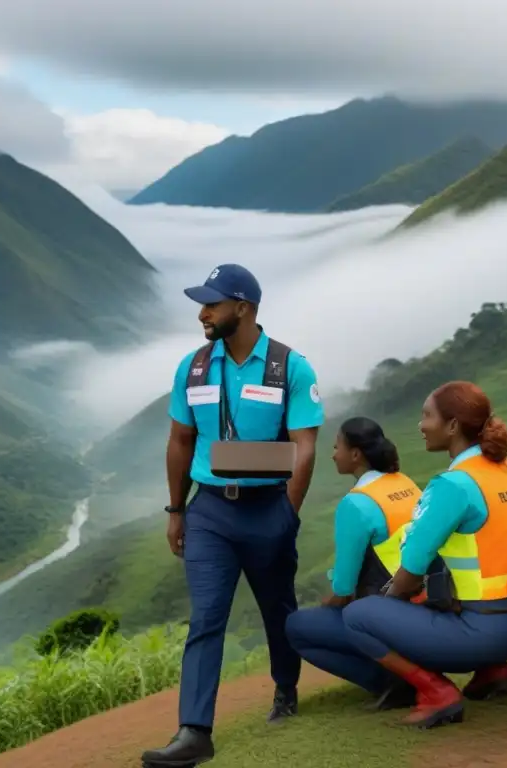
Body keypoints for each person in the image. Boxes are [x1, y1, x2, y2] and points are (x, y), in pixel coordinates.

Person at [141, 263, 324, 768]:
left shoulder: (290, 367)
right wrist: (177, 510)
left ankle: (285, 690)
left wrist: (288, 511)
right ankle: (194, 732)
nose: (202, 313)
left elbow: (303, 447)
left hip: (269, 507)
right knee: (205, 619)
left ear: (241, 308)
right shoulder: (193, 367)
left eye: (212, 304)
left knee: (277, 610)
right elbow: (181, 441)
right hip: (210, 514)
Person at [339, 381, 507, 729]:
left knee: (358, 615)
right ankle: (492, 672)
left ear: (452, 426)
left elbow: (410, 568)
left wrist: (388, 605)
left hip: (482, 633)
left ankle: (437, 693)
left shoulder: (453, 484)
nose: (421, 425)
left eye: (426, 415)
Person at [285, 417, 423, 711]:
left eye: (337, 447)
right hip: (426, 606)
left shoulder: (356, 504)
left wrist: (327, 604)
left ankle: (391, 679)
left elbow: (344, 589)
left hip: (389, 616)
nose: (333, 454)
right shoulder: (405, 483)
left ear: (356, 454)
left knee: (297, 626)